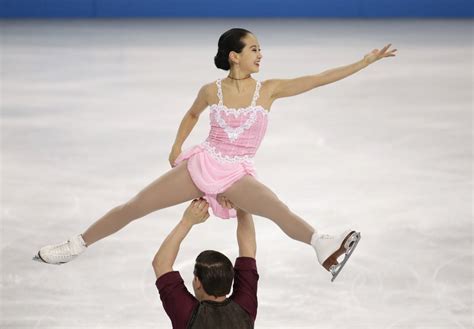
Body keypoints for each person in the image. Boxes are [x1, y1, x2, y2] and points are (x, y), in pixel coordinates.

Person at [34, 27, 396, 281]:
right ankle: (77, 244)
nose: (260, 54)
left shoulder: (269, 90)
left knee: (277, 210)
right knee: (135, 205)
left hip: (237, 172)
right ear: (234, 55)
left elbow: (319, 78)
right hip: (203, 163)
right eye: (254, 48)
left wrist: (363, 63)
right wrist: (177, 146)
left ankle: (322, 245)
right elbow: (193, 113)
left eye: (260, 48)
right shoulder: (212, 90)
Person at [153, 197, 258, 329]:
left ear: (197, 282)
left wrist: (187, 222)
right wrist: (241, 206)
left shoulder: (187, 314)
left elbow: (161, 263)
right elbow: (248, 250)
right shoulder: (244, 309)